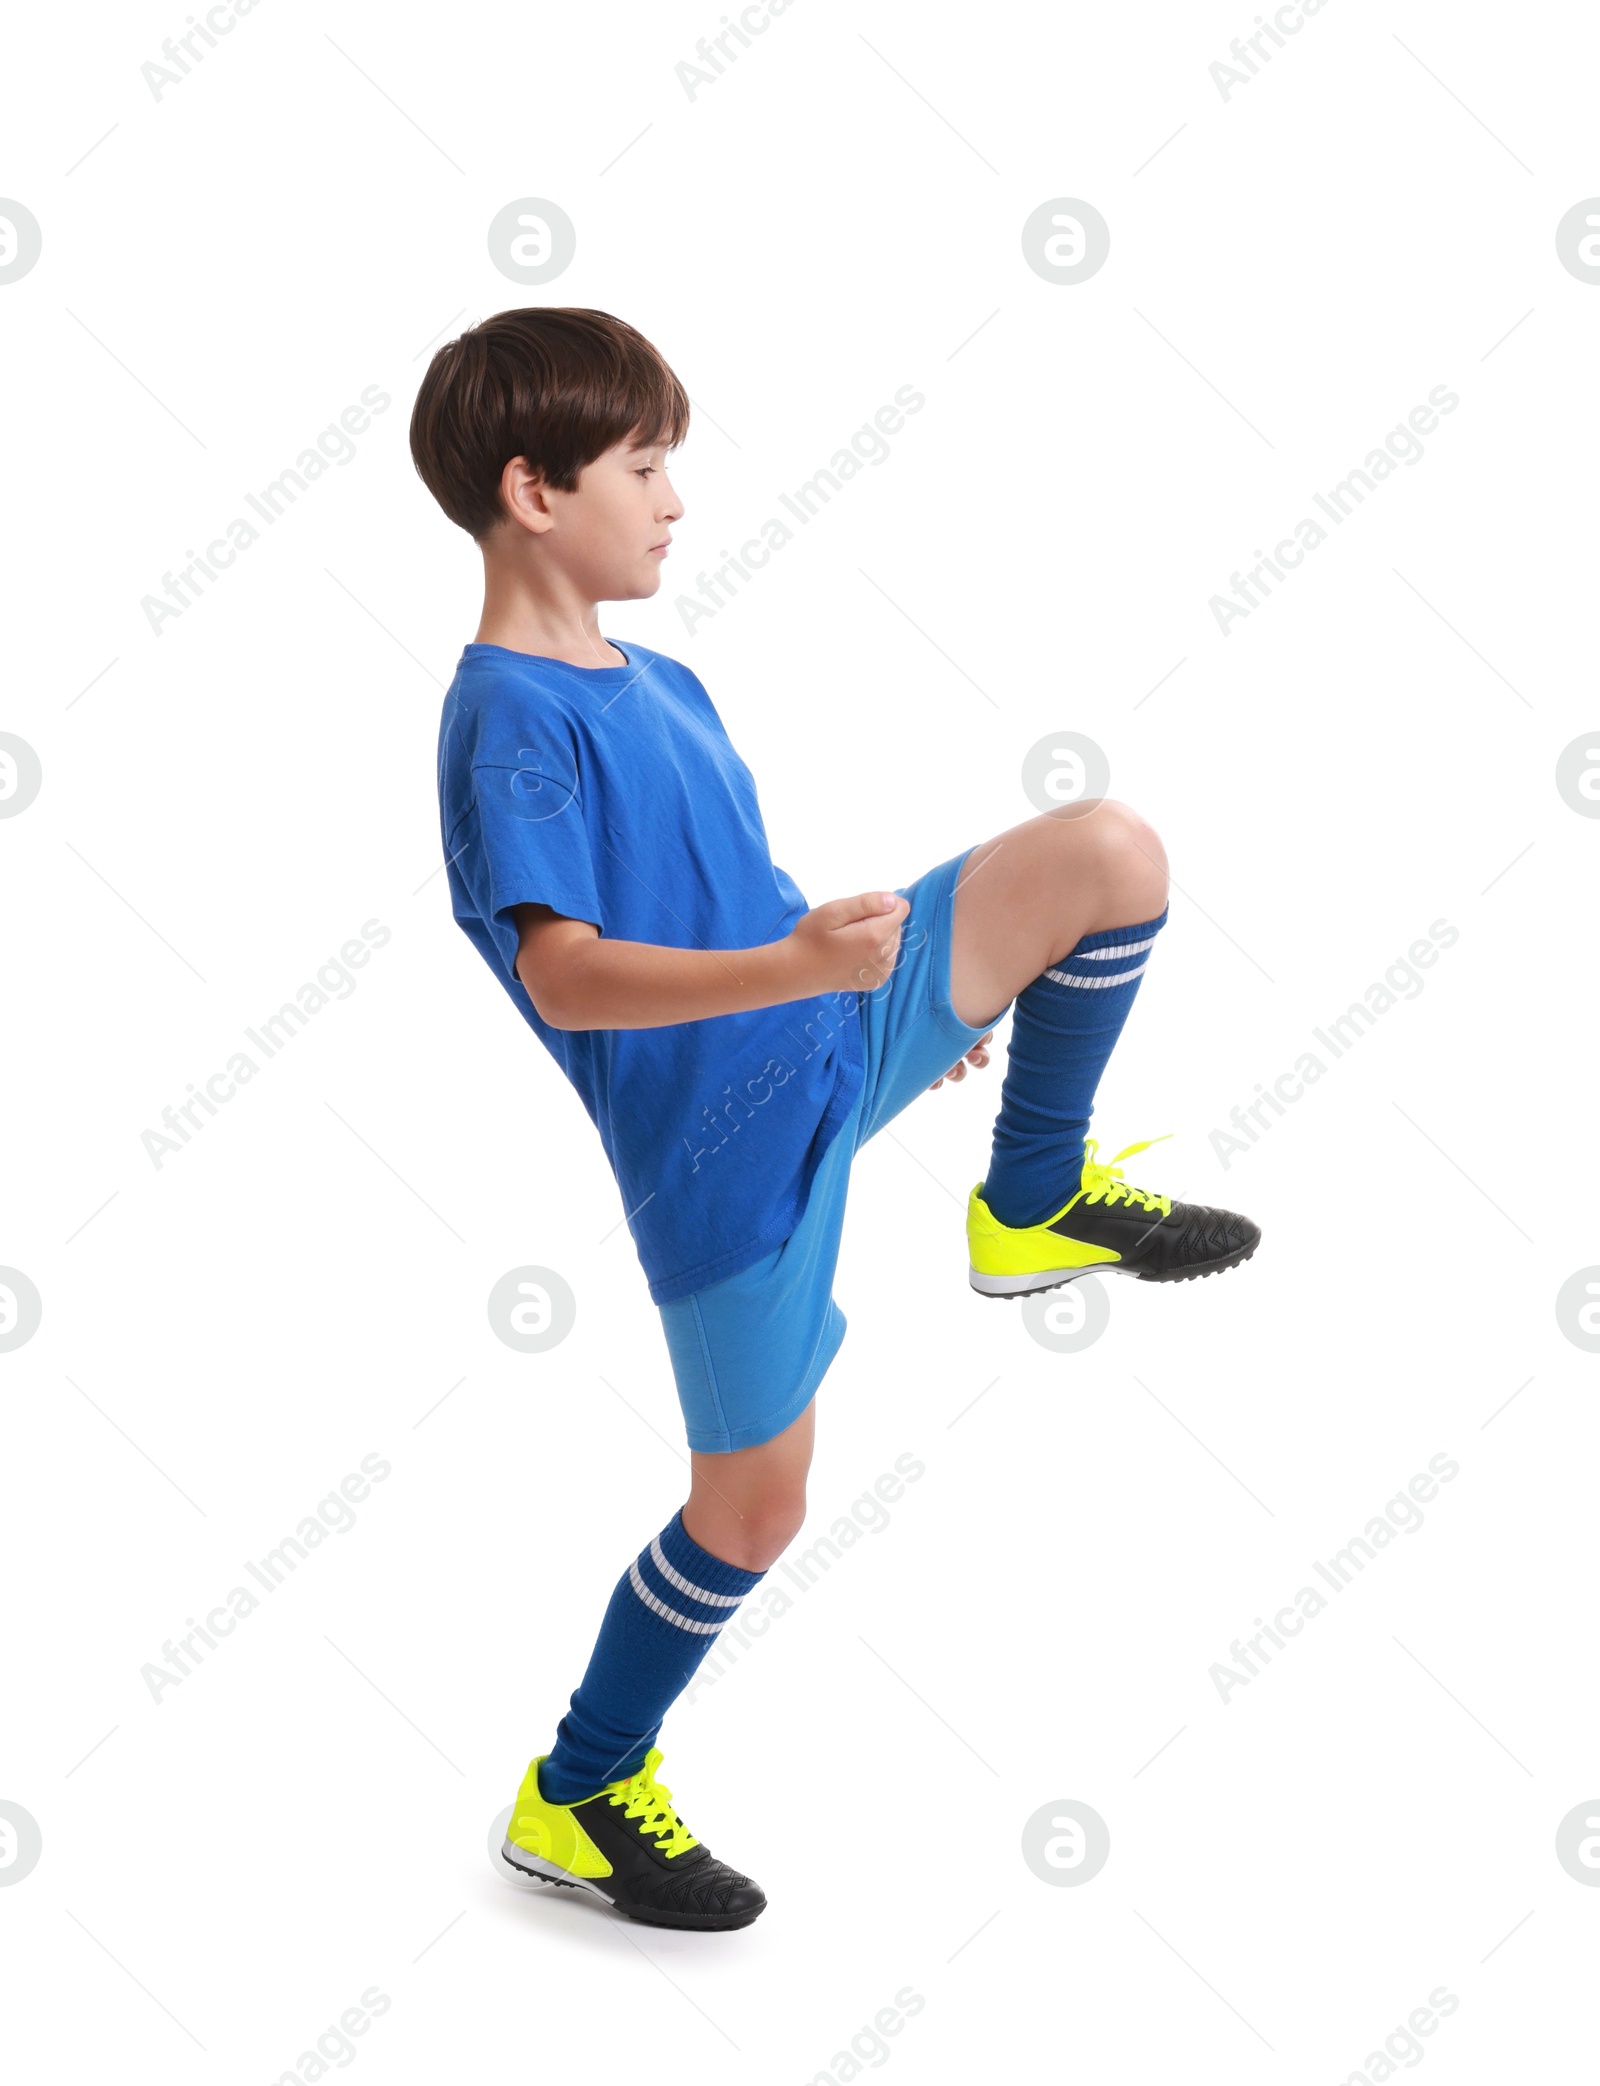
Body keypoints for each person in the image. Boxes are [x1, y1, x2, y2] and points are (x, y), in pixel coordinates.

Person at [411, 307, 1260, 1931]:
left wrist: (854, 986)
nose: (674, 500)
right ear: (533, 489)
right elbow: (570, 975)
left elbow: (741, 892)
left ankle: (1029, 1198)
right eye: (644, 465)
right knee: (754, 1509)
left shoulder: (663, 677)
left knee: (1108, 856)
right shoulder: (508, 718)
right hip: (724, 1165)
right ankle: (578, 1790)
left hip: (824, 1030)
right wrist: (790, 966)